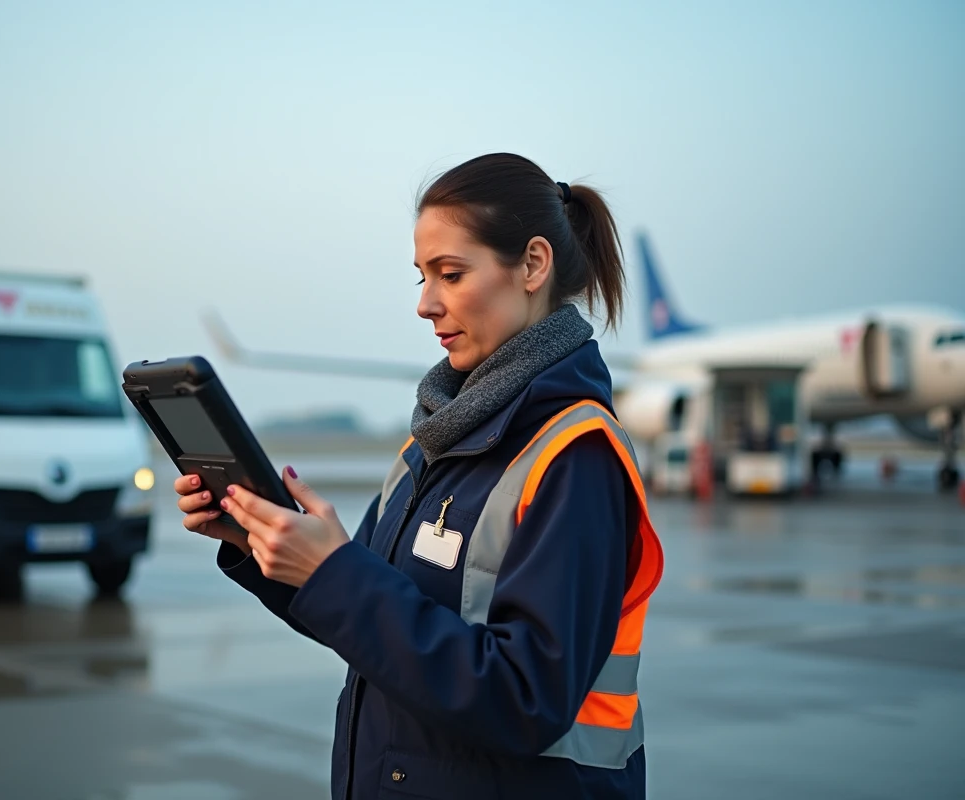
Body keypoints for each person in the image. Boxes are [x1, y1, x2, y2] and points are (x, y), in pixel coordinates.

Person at [174, 152, 665, 800]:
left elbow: (525, 698)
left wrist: (334, 573)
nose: (427, 304)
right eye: (421, 278)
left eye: (451, 274)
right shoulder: (434, 439)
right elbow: (375, 627)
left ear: (533, 265)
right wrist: (263, 546)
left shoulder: (576, 456)